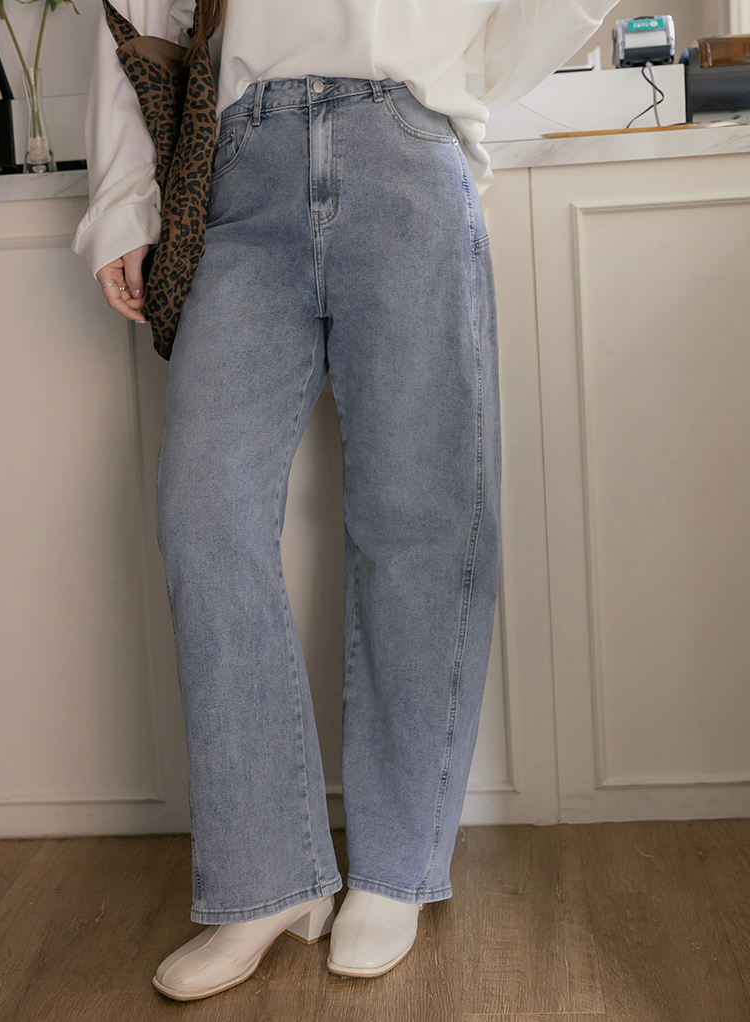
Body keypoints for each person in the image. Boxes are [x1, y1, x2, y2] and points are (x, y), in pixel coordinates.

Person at [73, 0, 617, 1002]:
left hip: (403, 148)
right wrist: (121, 202)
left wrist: (453, 70)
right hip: (241, 168)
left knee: (419, 523)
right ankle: (263, 881)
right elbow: (138, 12)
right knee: (204, 510)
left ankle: (396, 867)